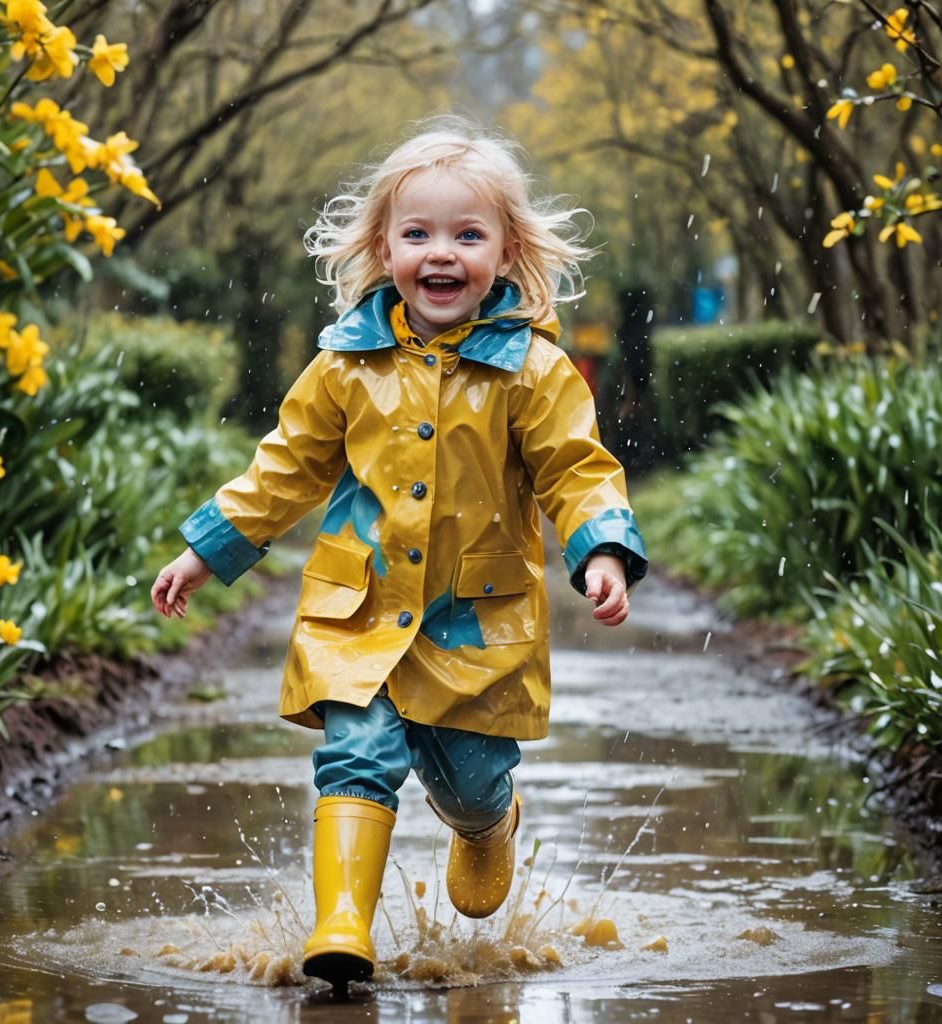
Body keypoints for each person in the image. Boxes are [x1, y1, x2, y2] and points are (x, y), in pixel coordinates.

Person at [150, 116, 647, 992]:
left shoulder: (532, 371)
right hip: (361, 612)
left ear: (507, 251)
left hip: (471, 626)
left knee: (468, 779)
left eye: (467, 234)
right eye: (418, 234)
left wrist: (602, 548)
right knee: (355, 755)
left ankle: (487, 824)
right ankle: (342, 925)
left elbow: (576, 469)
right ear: (384, 249)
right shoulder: (346, 366)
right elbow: (287, 467)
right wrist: (209, 548)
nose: (441, 253)